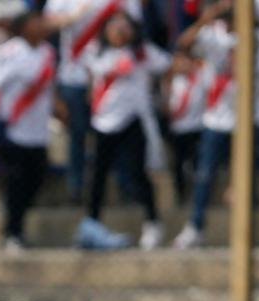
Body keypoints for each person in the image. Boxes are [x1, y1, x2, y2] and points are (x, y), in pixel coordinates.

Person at [75, 11, 169, 251]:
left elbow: (167, 63)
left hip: (132, 120)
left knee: (138, 174)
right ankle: (92, 224)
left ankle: (152, 222)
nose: (119, 31)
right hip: (103, 122)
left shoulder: (143, 52)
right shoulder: (96, 52)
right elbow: (92, 72)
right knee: (97, 176)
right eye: (114, 27)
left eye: (125, 27)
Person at [171, 0, 259, 249]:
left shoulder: (258, 38)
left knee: (251, 176)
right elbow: (183, 44)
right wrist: (207, 17)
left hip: (251, 118)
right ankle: (195, 227)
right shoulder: (213, 36)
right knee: (204, 174)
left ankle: (249, 232)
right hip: (217, 118)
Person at [45, 0, 143, 204]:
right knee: (78, 134)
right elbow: (46, 24)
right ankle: (76, 189)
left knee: (118, 134)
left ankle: (127, 187)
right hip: (75, 77)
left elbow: (136, 27)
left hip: (112, 77)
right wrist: (71, 18)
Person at [0, 10, 55, 255]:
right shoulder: (10, 51)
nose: (41, 26)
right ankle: (13, 233)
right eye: (36, 23)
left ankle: (17, 227)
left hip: (39, 130)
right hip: (13, 129)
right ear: (23, 28)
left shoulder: (48, 52)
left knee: (36, 179)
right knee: (16, 183)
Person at [165, 45, 207, 205]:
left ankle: (198, 196)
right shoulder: (171, 80)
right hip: (177, 129)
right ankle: (181, 195)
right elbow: (167, 107)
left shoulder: (200, 77)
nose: (180, 64)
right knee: (177, 165)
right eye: (177, 61)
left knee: (198, 165)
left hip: (197, 128)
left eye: (184, 60)